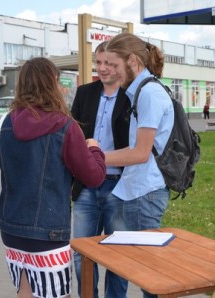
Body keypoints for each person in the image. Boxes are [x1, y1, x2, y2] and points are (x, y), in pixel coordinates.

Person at [0, 57, 106, 298]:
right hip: (48, 231)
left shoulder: (6, 123)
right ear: (52, 83)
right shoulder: (65, 126)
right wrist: (94, 149)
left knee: (24, 292)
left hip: (11, 226)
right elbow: (94, 176)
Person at [104, 32, 174, 298]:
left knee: (151, 277)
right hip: (135, 190)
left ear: (132, 61)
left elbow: (141, 153)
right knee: (140, 270)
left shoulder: (149, 94)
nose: (109, 72)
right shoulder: (142, 91)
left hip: (145, 193)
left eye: (114, 65)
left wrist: (98, 156)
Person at [70, 41, 130, 298]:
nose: (102, 68)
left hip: (120, 186)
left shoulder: (132, 95)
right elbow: (72, 135)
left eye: (108, 63)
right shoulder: (84, 93)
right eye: (98, 62)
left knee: (119, 255)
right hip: (87, 186)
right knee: (81, 254)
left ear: (121, 64)